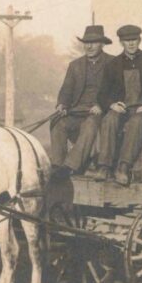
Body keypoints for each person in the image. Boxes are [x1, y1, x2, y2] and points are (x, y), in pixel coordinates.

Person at [90, 25, 142, 186]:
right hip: (123, 110)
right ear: (121, 43)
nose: (131, 44)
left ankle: (123, 167)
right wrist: (112, 105)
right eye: (127, 41)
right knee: (110, 119)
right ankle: (104, 166)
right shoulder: (113, 64)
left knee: (136, 122)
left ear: (139, 40)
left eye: (134, 40)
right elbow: (102, 94)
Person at [50, 25, 113, 177]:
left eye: (94, 42)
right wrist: (62, 105)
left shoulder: (113, 63)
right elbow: (66, 89)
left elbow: (117, 91)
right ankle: (57, 165)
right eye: (86, 43)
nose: (89, 46)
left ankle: (71, 166)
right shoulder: (75, 65)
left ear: (102, 44)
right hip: (76, 110)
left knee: (90, 124)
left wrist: (102, 105)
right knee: (57, 122)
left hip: (99, 111)